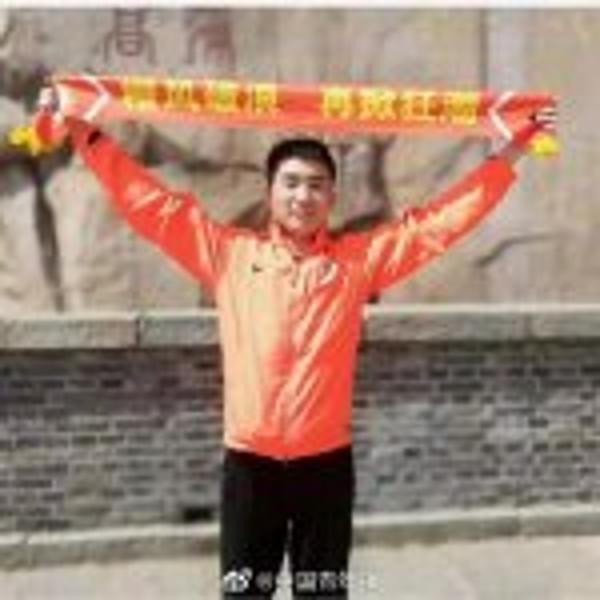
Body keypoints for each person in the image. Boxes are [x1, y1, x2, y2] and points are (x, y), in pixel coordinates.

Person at [36, 86, 555, 599]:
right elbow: (150, 205)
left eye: (315, 185)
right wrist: (83, 130)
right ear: (270, 192)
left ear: (332, 197)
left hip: (324, 466)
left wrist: (510, 153)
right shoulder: (229, 255)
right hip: (250, 466)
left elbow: (437, 226)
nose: (302, 196)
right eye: (291, 183)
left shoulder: (356, 263)